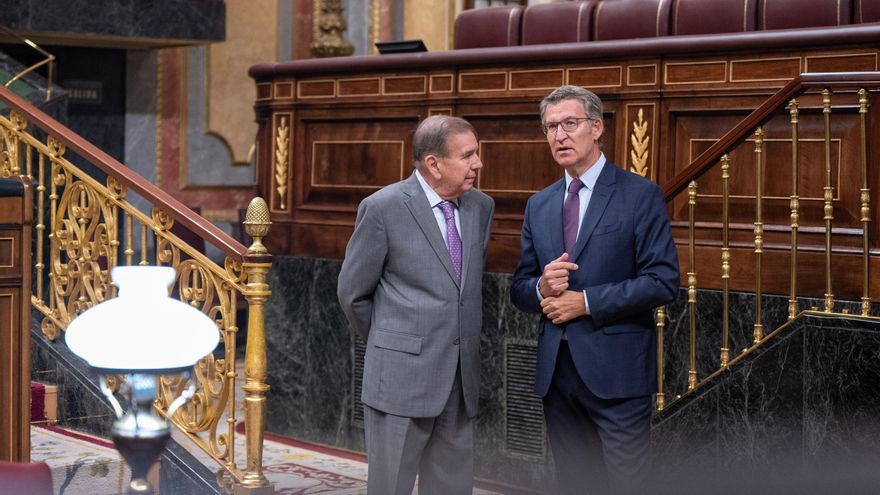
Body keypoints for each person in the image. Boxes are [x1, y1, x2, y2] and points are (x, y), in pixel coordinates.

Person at [510, 85, 680, 494]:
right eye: (550, 127)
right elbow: (519, 288)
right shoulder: (540, 204)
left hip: (617, 373)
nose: (559, 135)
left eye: (570, 123)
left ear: (597, 128)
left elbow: (662, 281)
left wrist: (584, 302)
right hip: (558, 375)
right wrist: (541, 287)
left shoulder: (639, 195)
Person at [337, 115, 495, 495]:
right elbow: (352, 294)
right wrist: (392, 343)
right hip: (400, 381)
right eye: (468, 156)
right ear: (433, 164)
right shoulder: (383, 208)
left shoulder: (481, 207)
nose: (478, 164)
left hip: (459, 381)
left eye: (477, 154)